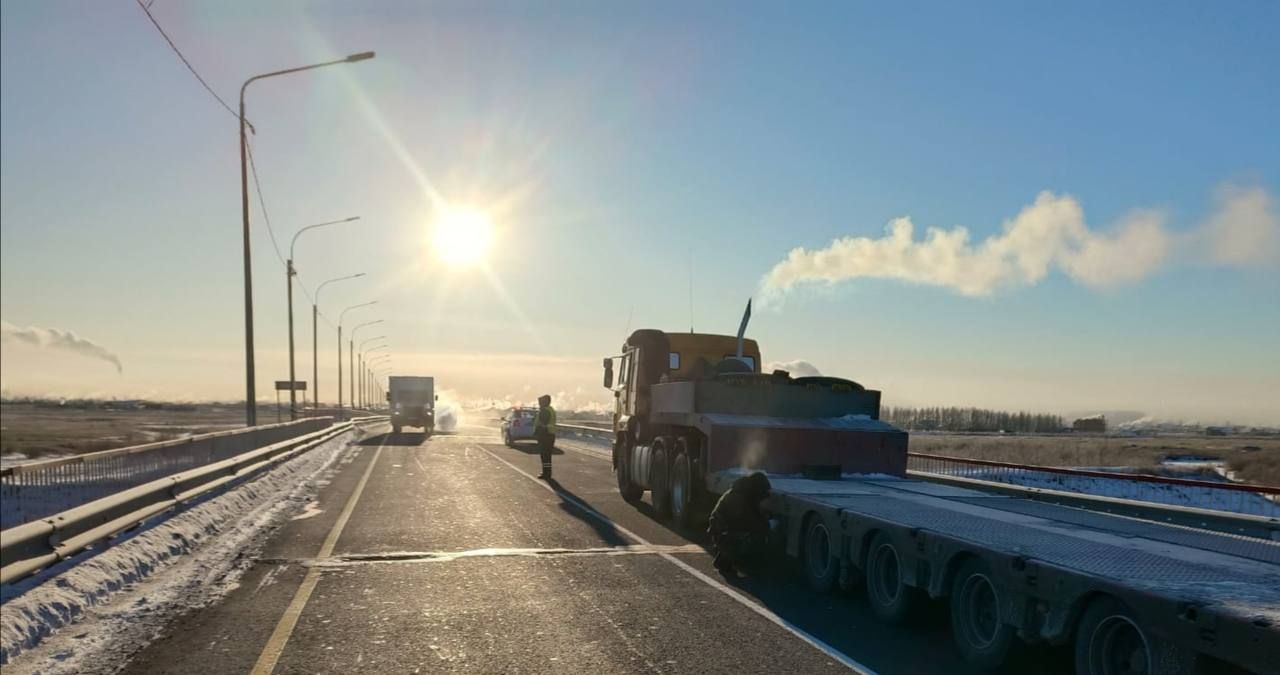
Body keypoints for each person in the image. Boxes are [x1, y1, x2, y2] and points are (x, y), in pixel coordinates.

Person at [707, 471, 772, 577]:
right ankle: (731, 560)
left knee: (756, 532)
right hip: (721, 532)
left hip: (726, 531)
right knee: (750, 537)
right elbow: (746, 522)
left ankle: (726, 558)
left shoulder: (746, 495)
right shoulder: (738, 498)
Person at [534, 394, 557, 479]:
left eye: (540, 402)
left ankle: (546, 473)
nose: (539, 404)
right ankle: (547, 473)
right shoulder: (551, 410)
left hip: (545, 435)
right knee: (547, 456)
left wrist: (537, 433)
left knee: (545, 456)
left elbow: (542, 424)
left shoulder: (544, 411)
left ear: (545, 402)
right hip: (550, 435)